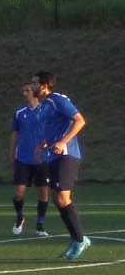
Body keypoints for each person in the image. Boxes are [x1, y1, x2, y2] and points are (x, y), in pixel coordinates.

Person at [32, 71, 90, 260]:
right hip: (53, 156)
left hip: (67, 155)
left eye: (34, 83)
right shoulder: (43, 105)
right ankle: (76, 239)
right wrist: (43, 144)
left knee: (63, 198)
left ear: (44, 85)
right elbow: (53, 129)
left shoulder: (57, 99)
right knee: (58, 199)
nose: (32, 86)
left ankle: (80, 240)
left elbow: (80, 121)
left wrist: (63, 141)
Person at [9, 82, 54, 238]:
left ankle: (40, 225)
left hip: (43, 158)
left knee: (43, 193)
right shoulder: (19, 112)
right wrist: (12, 152)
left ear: (34, 91)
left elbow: (53, 130)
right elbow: (15, 132)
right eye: (23, 91)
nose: (24, 93)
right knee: (18, 193)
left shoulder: (47, 110)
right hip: (23, 158)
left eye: (27, 90)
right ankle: (19, 217)